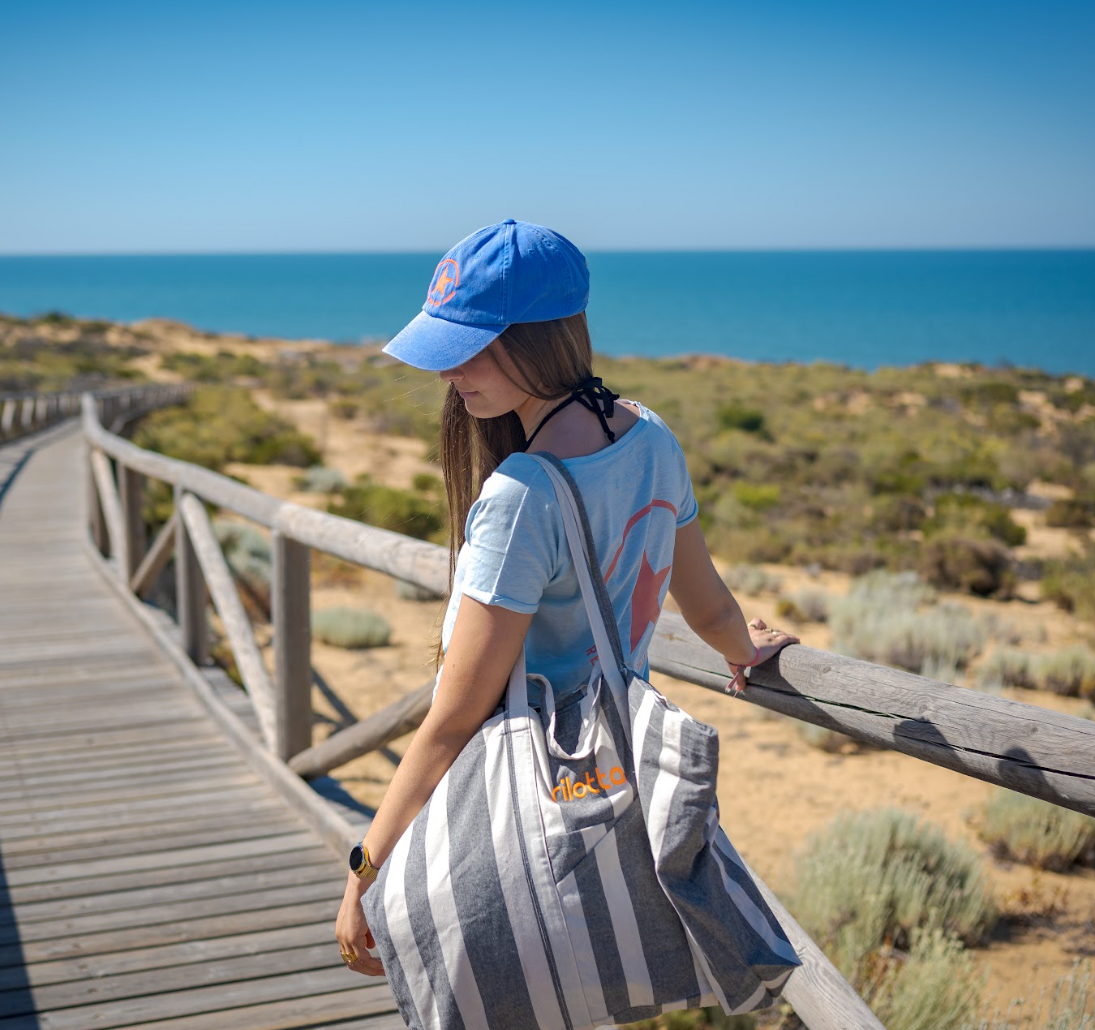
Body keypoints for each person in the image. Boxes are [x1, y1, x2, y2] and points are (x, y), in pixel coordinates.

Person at [333, 219, 799, 981]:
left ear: (544, 339)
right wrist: (748, 652)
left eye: (474, 344)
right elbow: (710, 606)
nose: (452, 370)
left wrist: (364, 870)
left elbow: (453, 719)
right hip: (613, 789)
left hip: (514, 808)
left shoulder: (521, 497)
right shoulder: (652, 437)